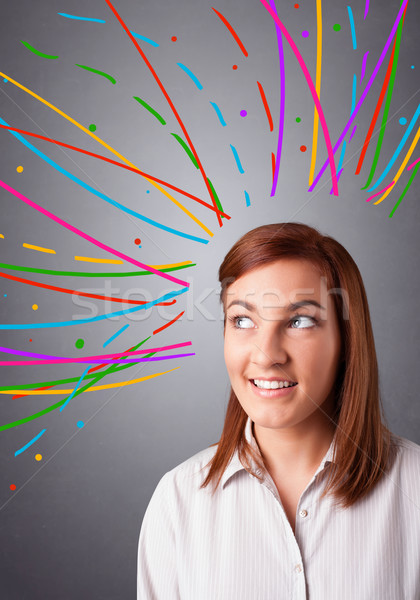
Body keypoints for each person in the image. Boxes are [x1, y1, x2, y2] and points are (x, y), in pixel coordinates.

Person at [137, 222, 420, 599]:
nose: (267, 354)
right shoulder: (177, 501)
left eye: (299, 321)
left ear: (346, 341)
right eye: (242, 320)